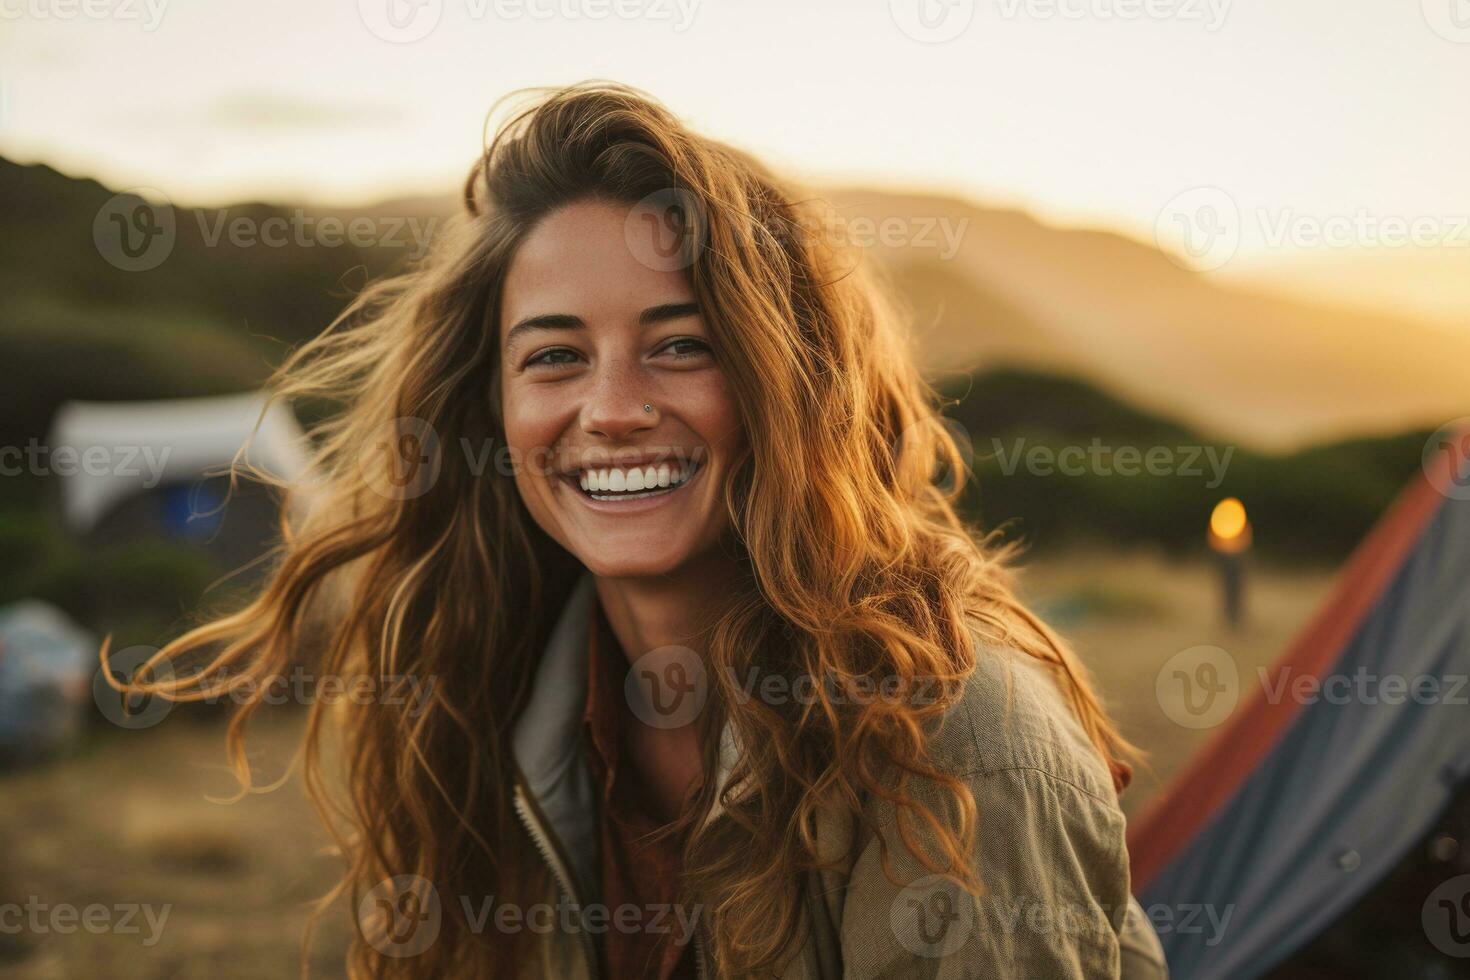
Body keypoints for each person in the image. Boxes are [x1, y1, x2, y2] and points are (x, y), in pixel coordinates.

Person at [114, 81, 1168, 979]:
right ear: (493, 407)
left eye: (679, 346)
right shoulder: (495, 689)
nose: (611, 407)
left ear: (784, 385)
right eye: (555, 356)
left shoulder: (960, 734)